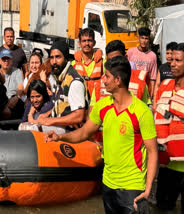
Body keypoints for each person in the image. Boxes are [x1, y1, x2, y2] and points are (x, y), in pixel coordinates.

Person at [46, 56, 158, 214]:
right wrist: (59, 138)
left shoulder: (141, 112)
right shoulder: (102, 106)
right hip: (108, 184)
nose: (103, 80)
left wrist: (148, 189)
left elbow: (153, 151)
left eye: (107, 76)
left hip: (133, 187)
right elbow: (84, 132)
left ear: (118, 80)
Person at [154, 43, 184, 212]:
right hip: (166, 165)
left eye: (178, 60)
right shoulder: (164, 86)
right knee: (162, 207)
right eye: (172, 60)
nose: (172, 64)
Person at [36, 41, 89, 129]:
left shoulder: (74, 82)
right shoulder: (60, 77)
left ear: (66, 58)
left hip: (72, 134)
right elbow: (60, 106)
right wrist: (46, 115)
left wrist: (49, 121)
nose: (54, 61)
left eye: (58, 57)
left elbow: (79, 116)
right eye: (51, 58)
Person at [101, 40, 151, 105]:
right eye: (110, 60)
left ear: (126, 57)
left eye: (117, 59)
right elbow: (92, 108)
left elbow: (146, 107)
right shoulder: (101, 81)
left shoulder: (139, 80)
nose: (113, 63)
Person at [72, 28, 103, 105]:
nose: (87, 44)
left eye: (89, 40)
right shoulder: (73, 64)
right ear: (79, 43)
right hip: (79, 104)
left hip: (97, 104)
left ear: (94, 43)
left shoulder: (102, 63)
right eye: (84, 41)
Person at [127, 27, 157, 98]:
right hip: (131, 88)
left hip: (145, 90)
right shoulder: (130, 52)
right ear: (138, 38)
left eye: (146, 38)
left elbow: (153, 77)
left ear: (149, 40)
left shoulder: (153, 56)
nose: (144, 41)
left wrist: (151, 94)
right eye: (142, 38)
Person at [0, 49, 24, 119]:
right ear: (0, 61)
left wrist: (17, 97)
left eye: (8, 59)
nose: (6, 61)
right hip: (1, 103)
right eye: (4, 59)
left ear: (12, 60)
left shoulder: (17, 71)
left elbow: (21, 87)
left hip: (13, 102)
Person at [153, 41, 177, 110]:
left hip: (174, 101)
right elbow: (157, 85)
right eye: (167, 53)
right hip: (162, 101)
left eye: (171, 53)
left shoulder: (178, 68)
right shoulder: (162, 68)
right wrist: (154, 103)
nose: (169, 56)